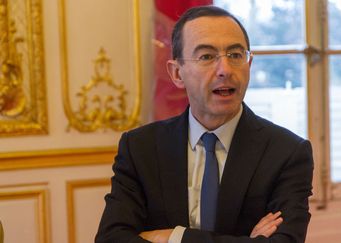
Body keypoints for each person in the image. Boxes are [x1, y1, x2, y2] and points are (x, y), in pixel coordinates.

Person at [95, 5, 313, 243]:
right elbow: (111, 238)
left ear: (249, 65)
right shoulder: (140, 147)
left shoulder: (287, 153)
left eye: (235, 55)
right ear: (177, 73)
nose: (225, 70)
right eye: (207, 56)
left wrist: (175, 237)